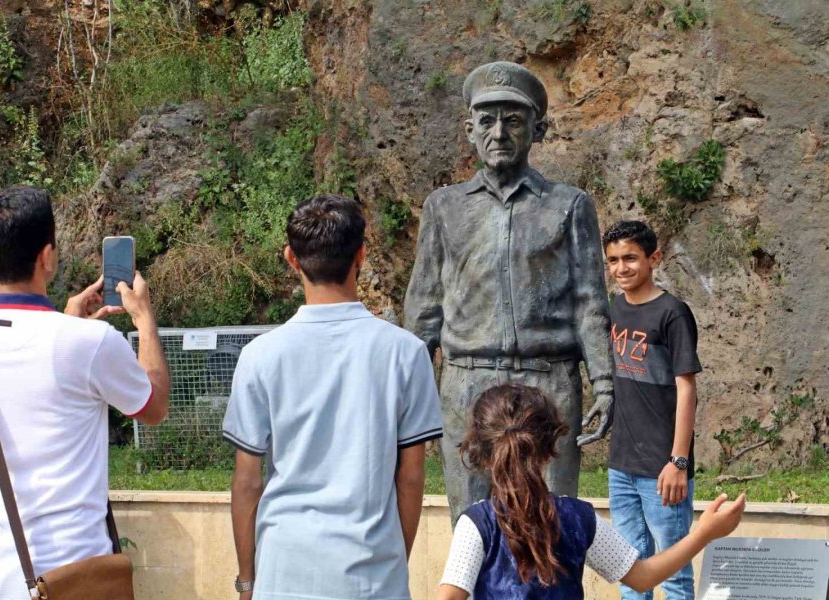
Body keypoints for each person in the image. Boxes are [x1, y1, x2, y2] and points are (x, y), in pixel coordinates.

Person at [0, 185, 170, 599]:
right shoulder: (90, 343)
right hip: (73, 576)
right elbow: (153, 406)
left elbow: (20, 377)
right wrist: (145, 320)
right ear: (48, 256)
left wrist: (66, 321)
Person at [404, 61, 614, 522]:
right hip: (467, 383)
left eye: (513, 121)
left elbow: (589, 303)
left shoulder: (569, 205)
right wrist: (408, 394)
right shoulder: (444, 208)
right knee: (470, 527)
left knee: (553, 522)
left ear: (537, 130)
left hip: (550, 380)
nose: (498, 132)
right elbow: (424, 311)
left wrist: (603, 381)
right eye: (487, 121)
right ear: (469, 130)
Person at [223, 194, 443, 600]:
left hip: (283, 572)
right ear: (361, 255)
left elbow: (247, 482)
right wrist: (393, 562)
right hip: (372, 575)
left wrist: (247, 581)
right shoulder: (406, 353)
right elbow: (410, 478)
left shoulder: (259, 356)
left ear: (291, 258)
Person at [436, 384, 745, 600]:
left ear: (483, 453)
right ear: (549, 450)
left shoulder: (476, 524)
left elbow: (449, 596)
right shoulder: (578, 518)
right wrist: (703, 533)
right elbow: (643, 577)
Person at [602, 220, 702, 600]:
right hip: (621, 465)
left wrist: (678, 462)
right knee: (630, 572)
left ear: (653, 258)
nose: (621, 268)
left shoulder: (672, 313)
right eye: (613, 260)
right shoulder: (616, 308)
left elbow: (687, 389)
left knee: (673, 574)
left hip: (663, 468)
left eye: (630, 258)